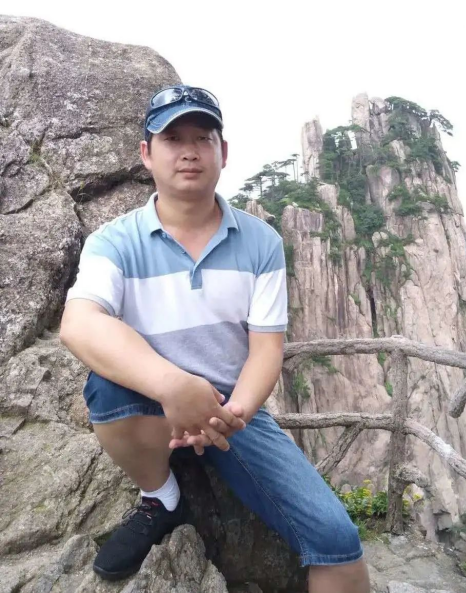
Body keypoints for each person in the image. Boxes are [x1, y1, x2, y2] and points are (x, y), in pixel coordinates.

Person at [60, 84, 371, 593]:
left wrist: (232, 414)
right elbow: (79, 322)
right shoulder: (114, 242)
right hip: (149, 401)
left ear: (222, 152)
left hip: (232, 413)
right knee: (105, 386)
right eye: (172, 139)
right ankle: (161, 496)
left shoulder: (261, 242)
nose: (189, 151)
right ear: (146, 154)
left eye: (202, 138)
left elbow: (266, 349)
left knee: (338, 541)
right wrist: (173, 385)